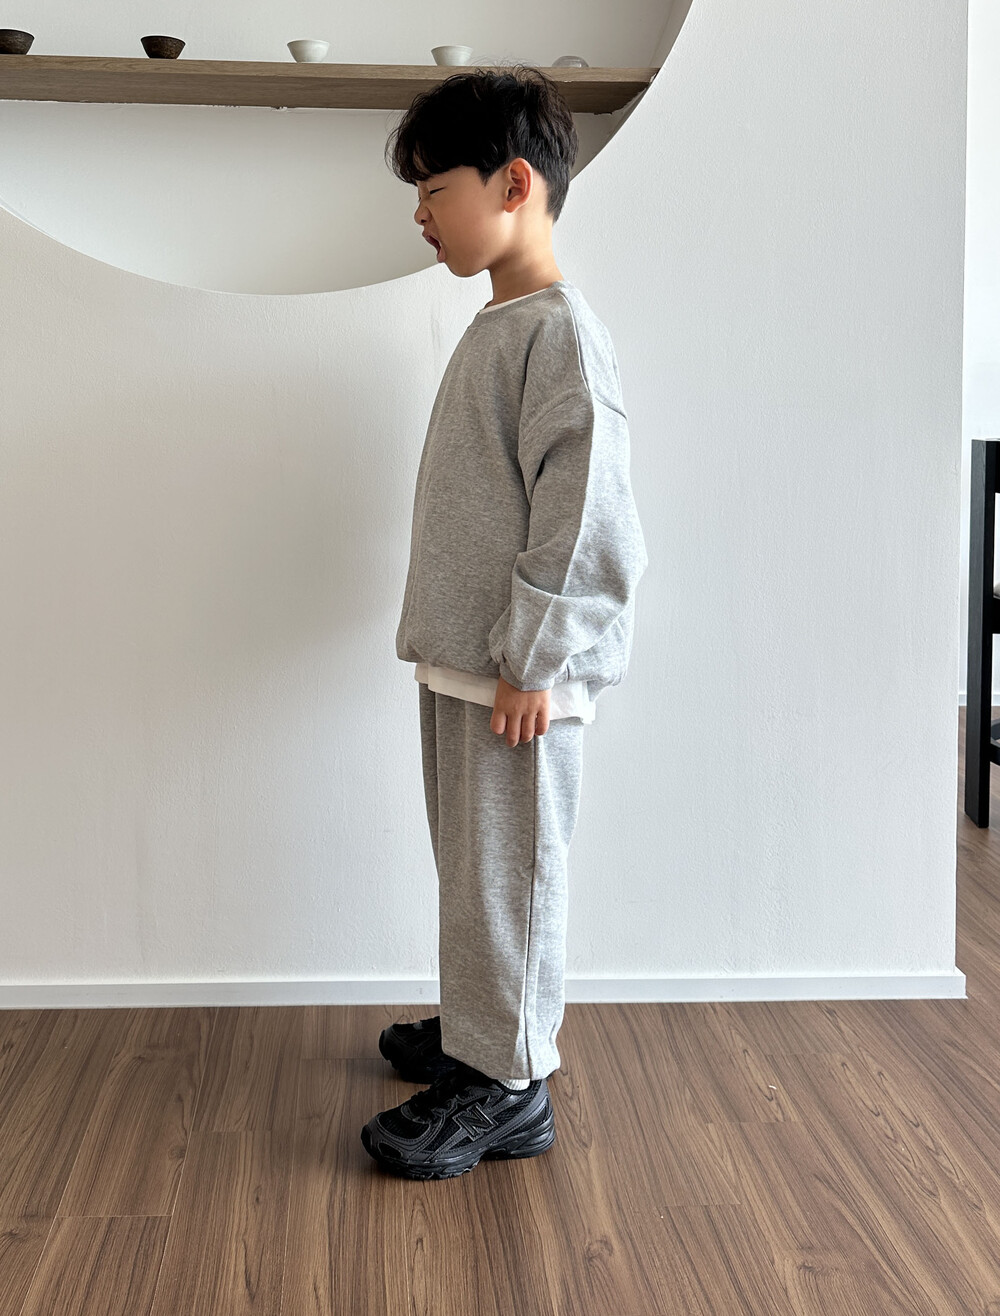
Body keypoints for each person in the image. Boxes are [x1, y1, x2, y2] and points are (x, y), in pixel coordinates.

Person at [360, 64, 649, 1180]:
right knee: (474, 872)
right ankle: (482, 1028)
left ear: (513, 183)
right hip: (467, 666)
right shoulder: (501, 324)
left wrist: (533, 657)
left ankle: (509, 1084)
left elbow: (586, 522)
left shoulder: (560, 335)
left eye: (435, 187)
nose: (421, 213)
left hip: (517, 677)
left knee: (511, 874)